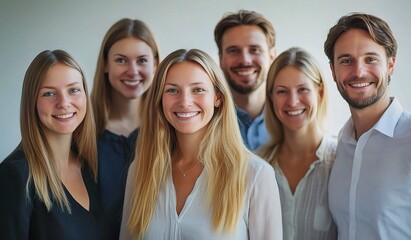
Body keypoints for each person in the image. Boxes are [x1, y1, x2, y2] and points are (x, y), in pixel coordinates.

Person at [119, 49, 282, 240]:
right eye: (172, 90)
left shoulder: (256, 175)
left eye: (198, 89)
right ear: (159, 99)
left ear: (218, 97)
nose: (185, 102)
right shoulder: (140, 170)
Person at [324, 12, 411, 239]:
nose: (358, 72)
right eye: (346, 60)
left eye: (370, 59)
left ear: (390, 65)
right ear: (333, 71)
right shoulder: (340, 145)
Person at [0, 50, 106, 239]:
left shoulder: (94, 166)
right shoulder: (15, 176)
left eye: (73, 90)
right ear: (32, 102)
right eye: (49, 93)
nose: (64, 103)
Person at [91, 18, 160, 239]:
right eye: (121, 60)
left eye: (142, 60)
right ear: (105, 64)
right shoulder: (82, 132)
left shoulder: (170, 131)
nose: (132, 71)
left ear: (156, 65)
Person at [259, 47, 337, 240]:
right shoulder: (257, 166)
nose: (293, 102)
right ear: (271, 97)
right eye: (282, 91)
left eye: (302, 89)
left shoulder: (343, 161)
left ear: (319, 93)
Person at [214, 9, 276, 151]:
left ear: (272, 56)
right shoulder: (203, 120)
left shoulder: (292, 113)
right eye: (233, 50)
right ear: (221, 59)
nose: (245, 60)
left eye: (254, 49)